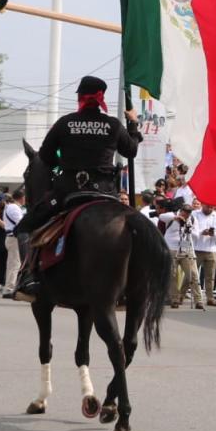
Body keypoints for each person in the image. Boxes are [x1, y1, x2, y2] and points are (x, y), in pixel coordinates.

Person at [12, 74, 141, 299]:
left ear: (80, 97)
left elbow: (45, 157)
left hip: (68, 191)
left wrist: (63, 162)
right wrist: (133, 125)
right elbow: (131, 150)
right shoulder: (113, 124)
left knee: (24, 227)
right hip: (106, 193)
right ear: (101, 98)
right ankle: (136, 283)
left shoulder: (65, 123)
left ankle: (29, 277)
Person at [164, 204, 203, 310]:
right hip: (171, 248)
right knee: (172, 275)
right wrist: (176, 218)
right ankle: (174, 299)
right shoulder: (172, 215)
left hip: (186, 247)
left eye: (188, 213)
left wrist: (188, 227)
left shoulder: (192, 219)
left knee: (193, 274)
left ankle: (198, 300)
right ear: (181, 210)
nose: (186, 215)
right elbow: (161, 217)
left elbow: (196, 235)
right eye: (184, 212)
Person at [192, 202, 216, 307]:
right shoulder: (195, 214)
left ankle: (210, 298)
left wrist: (213, 234)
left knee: (210, 276)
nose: (209, 208)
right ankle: (180, 296)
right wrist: (201, 232)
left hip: (211, 249)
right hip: (197, 248)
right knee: (191, 274)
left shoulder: (215, 217)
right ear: (202, 205)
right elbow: (192, 230)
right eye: (207, 206)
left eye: (211, 207)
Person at [1, 190, 25, 298]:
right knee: (14, 264)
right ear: (22, 197)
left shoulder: (10, 207)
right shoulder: (14, 207)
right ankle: (9, 289)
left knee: (13, 264)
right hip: (14, 238)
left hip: (11, 238)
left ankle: (10, 287)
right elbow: (21, 223)